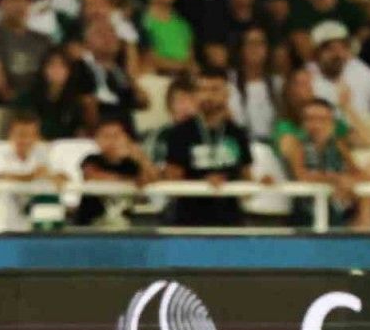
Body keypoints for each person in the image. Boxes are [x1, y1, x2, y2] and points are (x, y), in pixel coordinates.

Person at [283, 98, 370, 231]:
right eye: (310, 119)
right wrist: (334, 179)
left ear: (331, 123)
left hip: (341, 206)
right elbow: (302, 175)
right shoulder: (296, 144)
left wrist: (349, 182)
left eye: (322, 120)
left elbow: (356, 172)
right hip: (309, 211)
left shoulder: (338, 144)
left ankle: (363, 231)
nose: (316, 125)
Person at [161, 67, 254, 226]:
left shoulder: (238, 134)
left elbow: (247, 182)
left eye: (214, 89)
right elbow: (172, 182)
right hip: (189, 222)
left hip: (230, 223)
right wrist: (203, 182)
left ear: (226, 94)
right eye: (202, 90)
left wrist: (262, 183)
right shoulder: (180, 133)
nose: (207, 96)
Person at [0, 0, 52, 106]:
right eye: (14, 0)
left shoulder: (43, 40)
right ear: (1, 3)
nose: (21, 6)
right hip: (8, 106)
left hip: (41, 105)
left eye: (26, 0)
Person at [0, 112, 68, 231]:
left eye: (31, 135)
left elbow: (63, 176)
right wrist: (32, 176)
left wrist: (53, 176)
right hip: (7, 224)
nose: (26, 140)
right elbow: (1, 177)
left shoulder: (44, 152)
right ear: (11, 135)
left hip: (39, 223)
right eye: (21, 134)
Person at [75, 117, 154, 227]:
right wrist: (130, 182)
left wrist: (139, 156)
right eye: (106, 136)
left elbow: (149, 179)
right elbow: (91, 176)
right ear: (97, 139)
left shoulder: (132, 164)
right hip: (90, 224)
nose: (112, 141)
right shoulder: (92, 159)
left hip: (124, 225)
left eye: (116, 136)